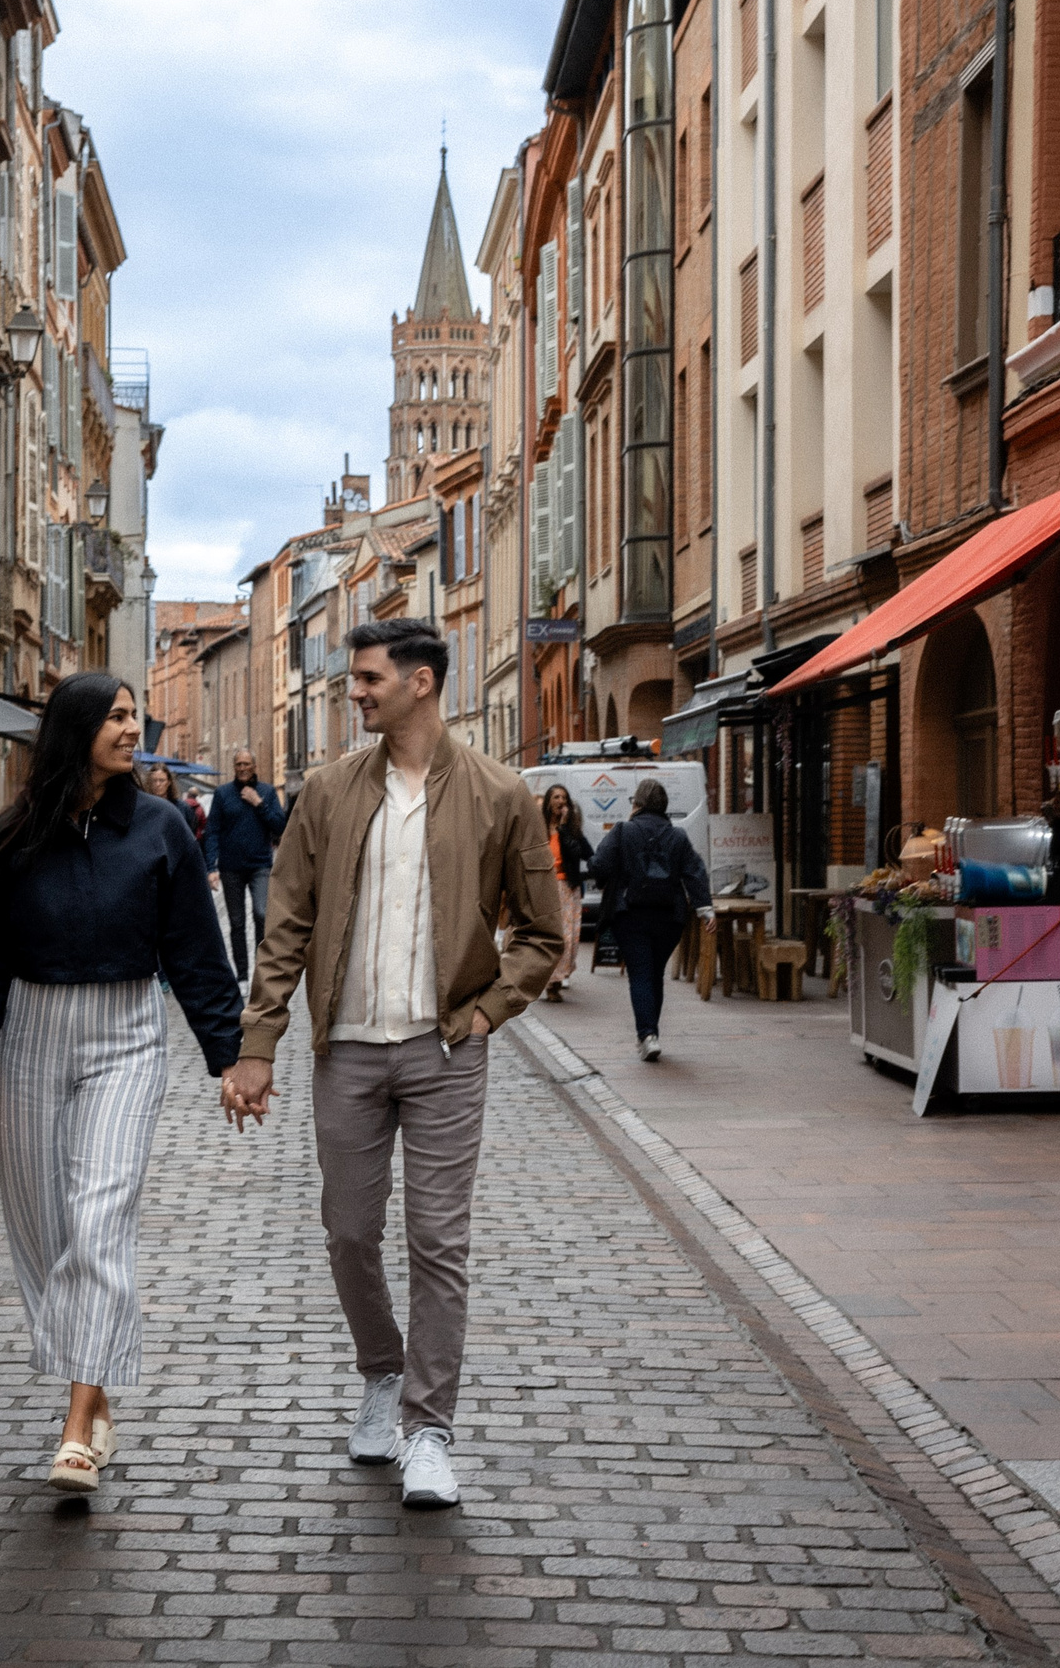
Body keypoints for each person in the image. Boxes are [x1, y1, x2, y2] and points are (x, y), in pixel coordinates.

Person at [221, 619, 562, 1510]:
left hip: (445, 1051)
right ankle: (381, 1369)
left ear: (420, 681)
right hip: (348, 1050)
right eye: (354, 678)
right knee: (348, 1229)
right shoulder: (328, 792)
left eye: (370, 678)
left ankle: (430, 1429)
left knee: (439, 1240)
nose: (356, 692)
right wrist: (259, 1044)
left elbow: (542, 932)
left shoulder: (499, 793)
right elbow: (286, 924)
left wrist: (486, 1012)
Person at [0, 674, 244, 1495]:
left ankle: (76, 1430)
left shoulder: (160, 828)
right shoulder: (10, 836)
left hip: (125, 1033)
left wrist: (231, 1055)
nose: (131, 727)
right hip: (30, 1035)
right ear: (76, 728)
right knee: (44, 1232)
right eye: (115, 715)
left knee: (98, 1220)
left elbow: (196, 951)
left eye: (133, 714)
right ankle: (97, 1388)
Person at [590, 778, 712, 1062]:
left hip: (630, 915)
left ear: (637, 803)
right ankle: (650, 1033)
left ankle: (647, 1035)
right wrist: (706, 910)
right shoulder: (678, 836)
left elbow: (599, 864)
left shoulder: (623, 831)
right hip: (669, 917)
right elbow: (695, 871)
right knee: (655, 973)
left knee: (641, 974)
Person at [205, 748, 287, 981]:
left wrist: (259, 804)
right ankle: (242, 976)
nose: (242, 768)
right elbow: (212, 832)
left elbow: (280, 826)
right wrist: (211, 868)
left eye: (246, 764)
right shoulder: (222, 794)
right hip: (230, 867)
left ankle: (261, 971)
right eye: (238, 764)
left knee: (262, 913)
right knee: (237, 922)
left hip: (260, 865)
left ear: (254, 766)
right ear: (234, 767)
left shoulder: (267, 792)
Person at [540, 784, 594, 1000]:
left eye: (564, 798)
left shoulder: (571, 831)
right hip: (544, 888)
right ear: (548, 802)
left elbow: (587, 854)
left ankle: (557, 979)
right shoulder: (538, 829)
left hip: (567, 888)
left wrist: (563, 828)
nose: (560, 801)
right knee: (548, 937)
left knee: (568, 939)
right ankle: (550, 983)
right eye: (556, 797)